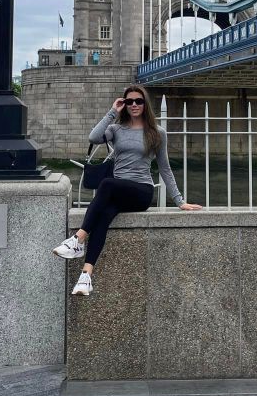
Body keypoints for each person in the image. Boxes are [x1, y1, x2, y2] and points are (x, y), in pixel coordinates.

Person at [53, 85, 202, 295]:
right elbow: (93, 138)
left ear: (145, 104)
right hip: (119, 191)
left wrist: (180, 201)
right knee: (104, 215)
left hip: (142, 192)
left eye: (138, 101)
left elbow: (165, 168)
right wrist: (113, 111)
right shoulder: (116, 129)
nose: (134, 105)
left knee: (107, 183)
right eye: (129, 101)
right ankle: (85, 276)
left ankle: (78, 239)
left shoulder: (157, 133)